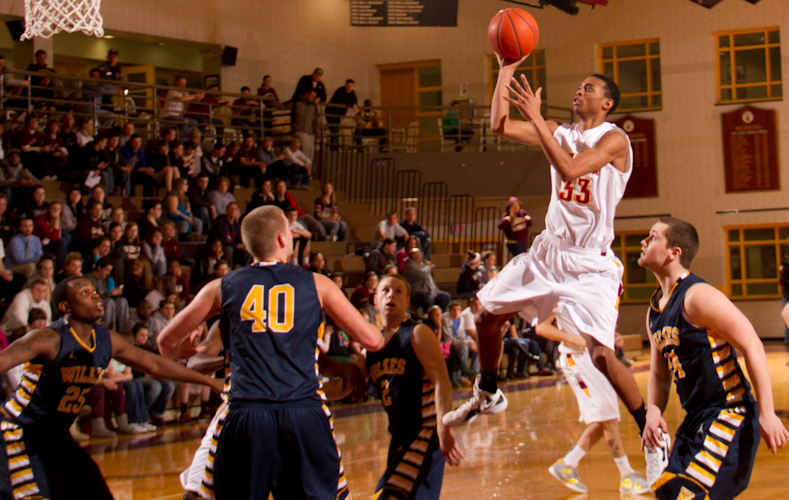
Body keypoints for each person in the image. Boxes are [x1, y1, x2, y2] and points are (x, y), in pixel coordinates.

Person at [443, 56, 649, 440]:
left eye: (589, 88)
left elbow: (572, 169)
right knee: (488, 316)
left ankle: (649, 428)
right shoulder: (558, 130)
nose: (579, 90)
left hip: (590, 262)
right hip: (548, 251)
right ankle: (488, 391)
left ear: (607, 103)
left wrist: (538, 120)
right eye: (579, 86)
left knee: (603, 355)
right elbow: (498, 126)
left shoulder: (614, 139)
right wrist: (504, 68)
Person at [0, 276, 222, 500]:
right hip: (19, 434)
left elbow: (153, 364)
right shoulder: (49, 339)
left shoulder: (107, 339)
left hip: (57, 437)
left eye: (95, 291)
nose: (96, 296)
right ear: (65, 306)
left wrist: (208, 380)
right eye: (85, 293)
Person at [155, 204, 384, 500]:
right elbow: (372, 340)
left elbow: (164, 342)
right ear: (281, 239)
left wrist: (183, 353)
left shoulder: (221, 287)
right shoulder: (318, 284)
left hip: (246, 416)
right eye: (289, 231)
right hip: (303, 412)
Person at [638, 217, 789, 497]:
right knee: (667, 493)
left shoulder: (698, 296)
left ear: (674, 253)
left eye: (653, 236)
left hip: (729, 414)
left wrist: (768, 414)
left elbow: (753, 344)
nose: (643, 242)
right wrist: (653, 412)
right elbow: (659, 375)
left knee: (689, 495)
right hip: (696, 419)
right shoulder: (654, 311)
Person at [366, 274, 463, 498]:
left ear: (407, 301)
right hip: (399, 437)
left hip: (425, 432)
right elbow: (344, 385)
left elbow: (442, 381)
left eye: (399, 291)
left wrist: (443, 426)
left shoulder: (417, 333)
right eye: (385, 290)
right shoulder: (371, 346)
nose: (391, 294)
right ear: (375, 301)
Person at [535, 315, 650, 494]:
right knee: (608, 416)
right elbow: (541, 327)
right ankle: (626, 475)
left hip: (594, 357)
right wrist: (574, 339)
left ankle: (568, 464)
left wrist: (611, 335)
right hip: (578, 359)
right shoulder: (558, 291)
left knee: (605, 417)